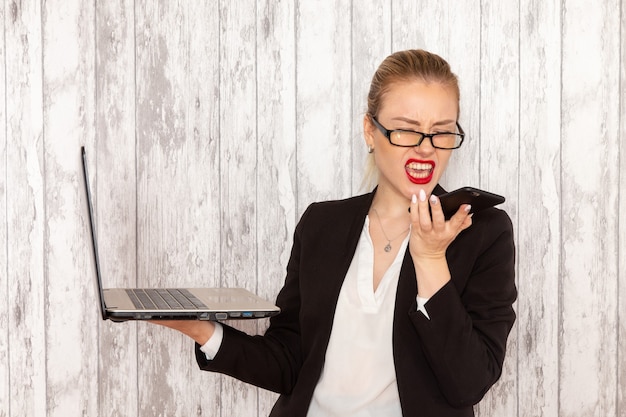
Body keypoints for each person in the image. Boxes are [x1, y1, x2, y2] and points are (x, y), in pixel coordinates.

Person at [152, 49, 517, 417]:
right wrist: (201, 330)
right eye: (406, 130)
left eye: (441, 132)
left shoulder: (483, 232)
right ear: (370, 132)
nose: (425, 148)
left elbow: (468, 382)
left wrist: (430, 259)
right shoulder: (321, 226)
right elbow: (291, 361)